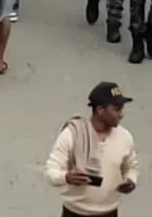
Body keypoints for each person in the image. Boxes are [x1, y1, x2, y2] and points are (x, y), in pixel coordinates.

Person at [44, 82, 139, 217]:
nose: (121, 115)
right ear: (100, 110)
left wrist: (130, 180)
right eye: (116, 109)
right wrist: (66, 177)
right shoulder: (72, 135)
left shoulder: (125, 137)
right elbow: (50, 171)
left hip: (109, 212)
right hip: (75, 212)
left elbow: (131, 167)